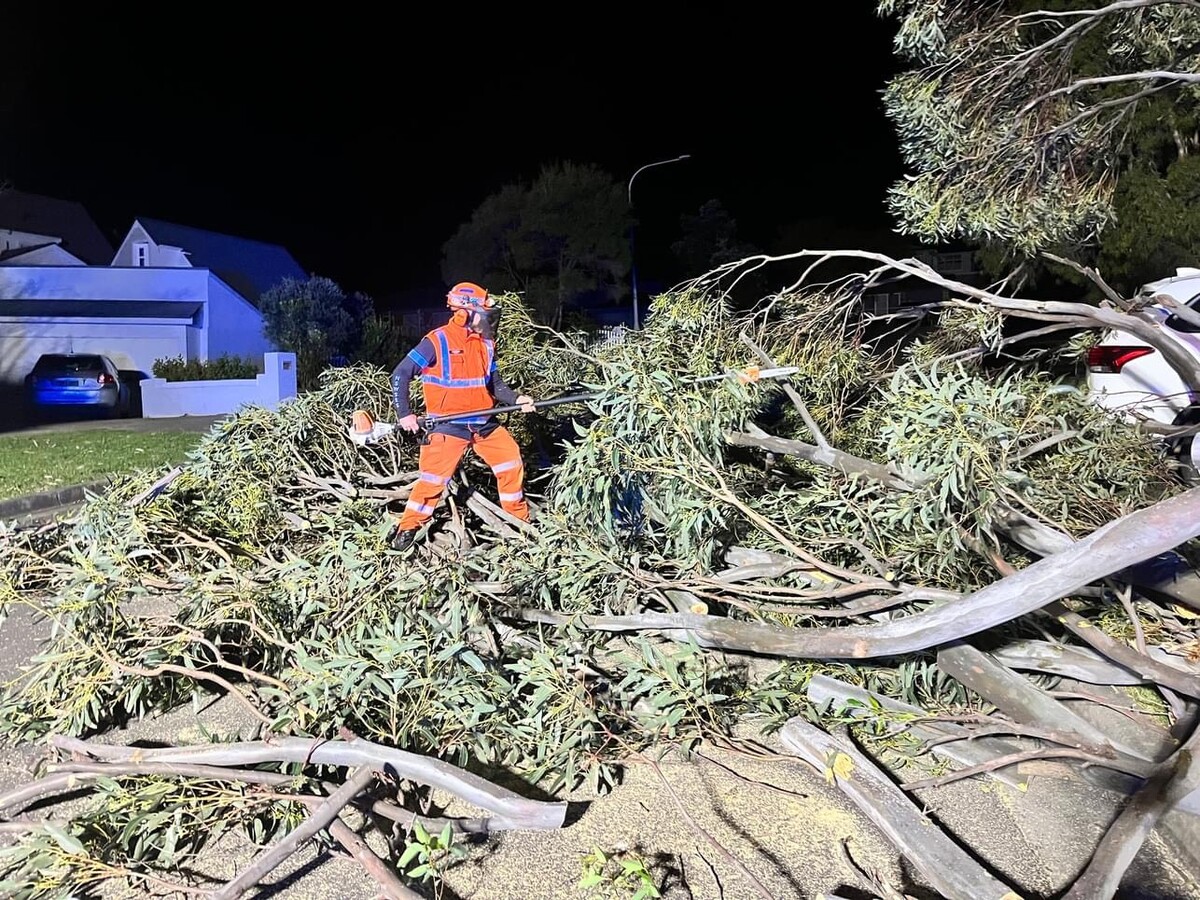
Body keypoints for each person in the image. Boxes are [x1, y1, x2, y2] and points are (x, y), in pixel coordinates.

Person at [387, 281, 535, 551]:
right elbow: (400, 374)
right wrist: (405, 414)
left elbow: (495, 386)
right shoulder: (436, 341)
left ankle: (519, 523)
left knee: (510, 462)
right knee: (432, 481)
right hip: (447, 426)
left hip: (484, 423)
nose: (490, 320)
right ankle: (407, 530)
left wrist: (517, 399)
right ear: (464, 312)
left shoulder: (488, 344)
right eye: (484, 313)